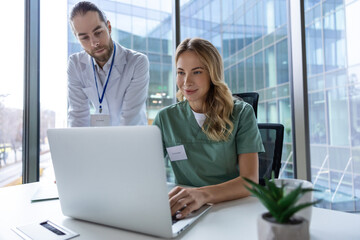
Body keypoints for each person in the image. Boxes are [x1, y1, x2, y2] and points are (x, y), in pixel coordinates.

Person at [153, 38, 264, 220]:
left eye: (196, 72)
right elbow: (147, 171)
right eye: (181, 72)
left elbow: (249, 182)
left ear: (213, 74)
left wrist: (202, 195)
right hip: (186, 210)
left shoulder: (242, 113)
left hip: (233, 208)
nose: (186, 82)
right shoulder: (166, 118)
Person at [67, 1, 149, 127]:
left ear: (109, 27)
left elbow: (130, 120)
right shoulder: (75, 64)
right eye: (85, 38)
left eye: (98, 32)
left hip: (131, 140)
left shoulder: (137, 62)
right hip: (99, 141)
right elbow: (78, 118)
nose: (94, 43)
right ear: (78, 39)